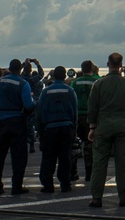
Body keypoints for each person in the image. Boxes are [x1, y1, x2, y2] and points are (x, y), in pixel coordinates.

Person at [87, 52, 125, 208]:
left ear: (108, 64)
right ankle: (124, 197)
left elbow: (92, 107)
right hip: (122, 127)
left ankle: (97, 198)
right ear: (121, 65)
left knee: (99, 164)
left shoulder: (99, 84)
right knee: (122, 164)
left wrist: (92, 127)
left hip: (103, 128)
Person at [0, 58, 35, 195]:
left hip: (1, 121)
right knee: (19, 156)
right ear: (20, 70)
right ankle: (16, 186)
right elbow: (28, 105)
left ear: (9, 68)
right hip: (17, 122)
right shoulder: (23, 84)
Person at [37, 65, 77, 193]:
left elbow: (40, 112)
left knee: (48, 157)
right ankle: (65, 183)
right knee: (65, 157)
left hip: (50, 127)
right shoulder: (70, 91)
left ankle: (48, 184)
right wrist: (74, 130)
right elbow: (75, 112)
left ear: (53, 76)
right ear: (65, 75)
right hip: (66, 127)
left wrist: (40, 133)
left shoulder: (45, 92)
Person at [70, 60, 99, 182]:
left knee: (75, 145)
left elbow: (71, 99)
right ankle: (89, 172)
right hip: (90, 117)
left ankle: (73, 172)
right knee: (90, 144)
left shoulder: (75, 83)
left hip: (77, 116)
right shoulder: (96, 82)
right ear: (92, 69)